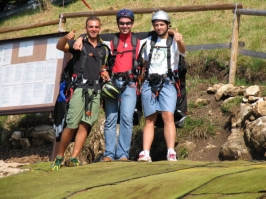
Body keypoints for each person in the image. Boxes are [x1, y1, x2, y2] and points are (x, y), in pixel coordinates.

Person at [74, 9, 176, 162]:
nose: (125, 26)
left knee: (127, 118)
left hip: (130, 84)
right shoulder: (110, 39)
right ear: (117, 24)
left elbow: (161, 31)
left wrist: (173, 31)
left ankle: (123, 154)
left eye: (128, 23)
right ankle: (109, 154)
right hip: (112, 83)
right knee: (111, 119)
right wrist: (81, 37)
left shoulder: (140, 38)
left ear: (132, 23)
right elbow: (92, 34)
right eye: (121, 23)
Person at [51, 16, 110, 170]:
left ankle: (74, 157)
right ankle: (59, 156)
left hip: (96, 90)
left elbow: (102, 66)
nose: (94, 29)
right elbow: (59, 47)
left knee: (86, 124)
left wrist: (104, 73)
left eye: (96, 27)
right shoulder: (79, 44)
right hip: (79, 89)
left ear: (100, 28)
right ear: (86, 28)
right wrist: (65, 38)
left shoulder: (103, 48)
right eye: (91, 27)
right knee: (71, 124)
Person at [137, 10, 186, 162]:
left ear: (167, 25)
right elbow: (144, 62)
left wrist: (179, 39)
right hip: (149, 83)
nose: (159, 27)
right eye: (156, 25)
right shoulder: (149, 42)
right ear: (153, 26)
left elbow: (183, 52)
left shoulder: (174, 41)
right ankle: (145, 152)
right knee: (150, 118)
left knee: (168, 116)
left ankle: (171, 151)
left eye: (162, 24)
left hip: (168, 82)